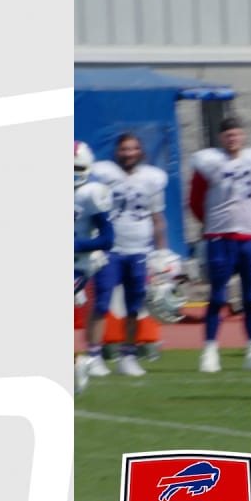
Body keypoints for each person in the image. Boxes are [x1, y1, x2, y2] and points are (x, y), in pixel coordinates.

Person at [190, 117, 251, 373]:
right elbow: (195, 200)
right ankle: (210, 350)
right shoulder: (209, 163)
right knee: (217, 296)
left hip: (249, 238)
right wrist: (213, 225)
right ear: (220, 138)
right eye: (228, 135)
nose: (232, 139)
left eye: (236, 134)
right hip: (219, 237)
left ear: (243, 136)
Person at [85, 132, 169, 378]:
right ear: (117, 151)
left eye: (133, 148)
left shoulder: (152, 179)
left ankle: (128, 354)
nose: (129, 153)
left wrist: (162, 253)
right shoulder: (103, 175)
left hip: (140, 251)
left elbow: (158, 219)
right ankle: (94, 355)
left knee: (134, 306)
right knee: (101, 303)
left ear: (140, 151)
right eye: (124, 149)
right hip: (110, 250)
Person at [74, 140, 113, 395]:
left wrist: (77, 244)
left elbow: (108, 239)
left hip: (77, 265)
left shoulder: (90, 193)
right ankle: (76, 364)